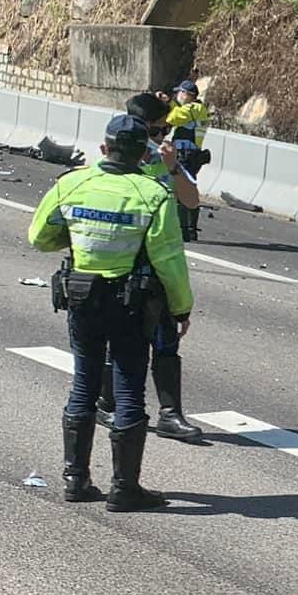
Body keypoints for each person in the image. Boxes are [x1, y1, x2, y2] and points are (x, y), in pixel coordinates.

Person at [27, 113, 193, 512]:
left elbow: (40, 237)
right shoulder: (152, 193)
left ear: (104, 149)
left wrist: (79, 237)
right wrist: (181, 306)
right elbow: (168, 257)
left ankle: (76, 479)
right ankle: (124, 488)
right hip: (131, 305)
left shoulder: (72, 183)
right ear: (143, 154)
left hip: (82, 299)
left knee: (84, 382)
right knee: (129, 389)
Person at [94, 92, 206, 443]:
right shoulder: (113, 157)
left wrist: (172, 168)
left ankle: (171, 414)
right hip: (120, 263)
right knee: (117, 339)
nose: (160, 140)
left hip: (157, 263)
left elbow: (191, 199)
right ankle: (107, 403)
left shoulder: (163, 158)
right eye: (156, 132)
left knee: (166, 339)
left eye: (161, 133)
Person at [165, 80, 211, 242]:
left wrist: (167, 107)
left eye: (179, 93)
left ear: (186, 95)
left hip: (187, 155)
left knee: (181, 190)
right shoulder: (193, 109)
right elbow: (177, 112)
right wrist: (168, 102)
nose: (177, 96)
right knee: (187, 188)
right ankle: (190, 229)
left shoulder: (195, 109)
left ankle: (184, 230)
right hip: (187, 154)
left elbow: (173, 118)